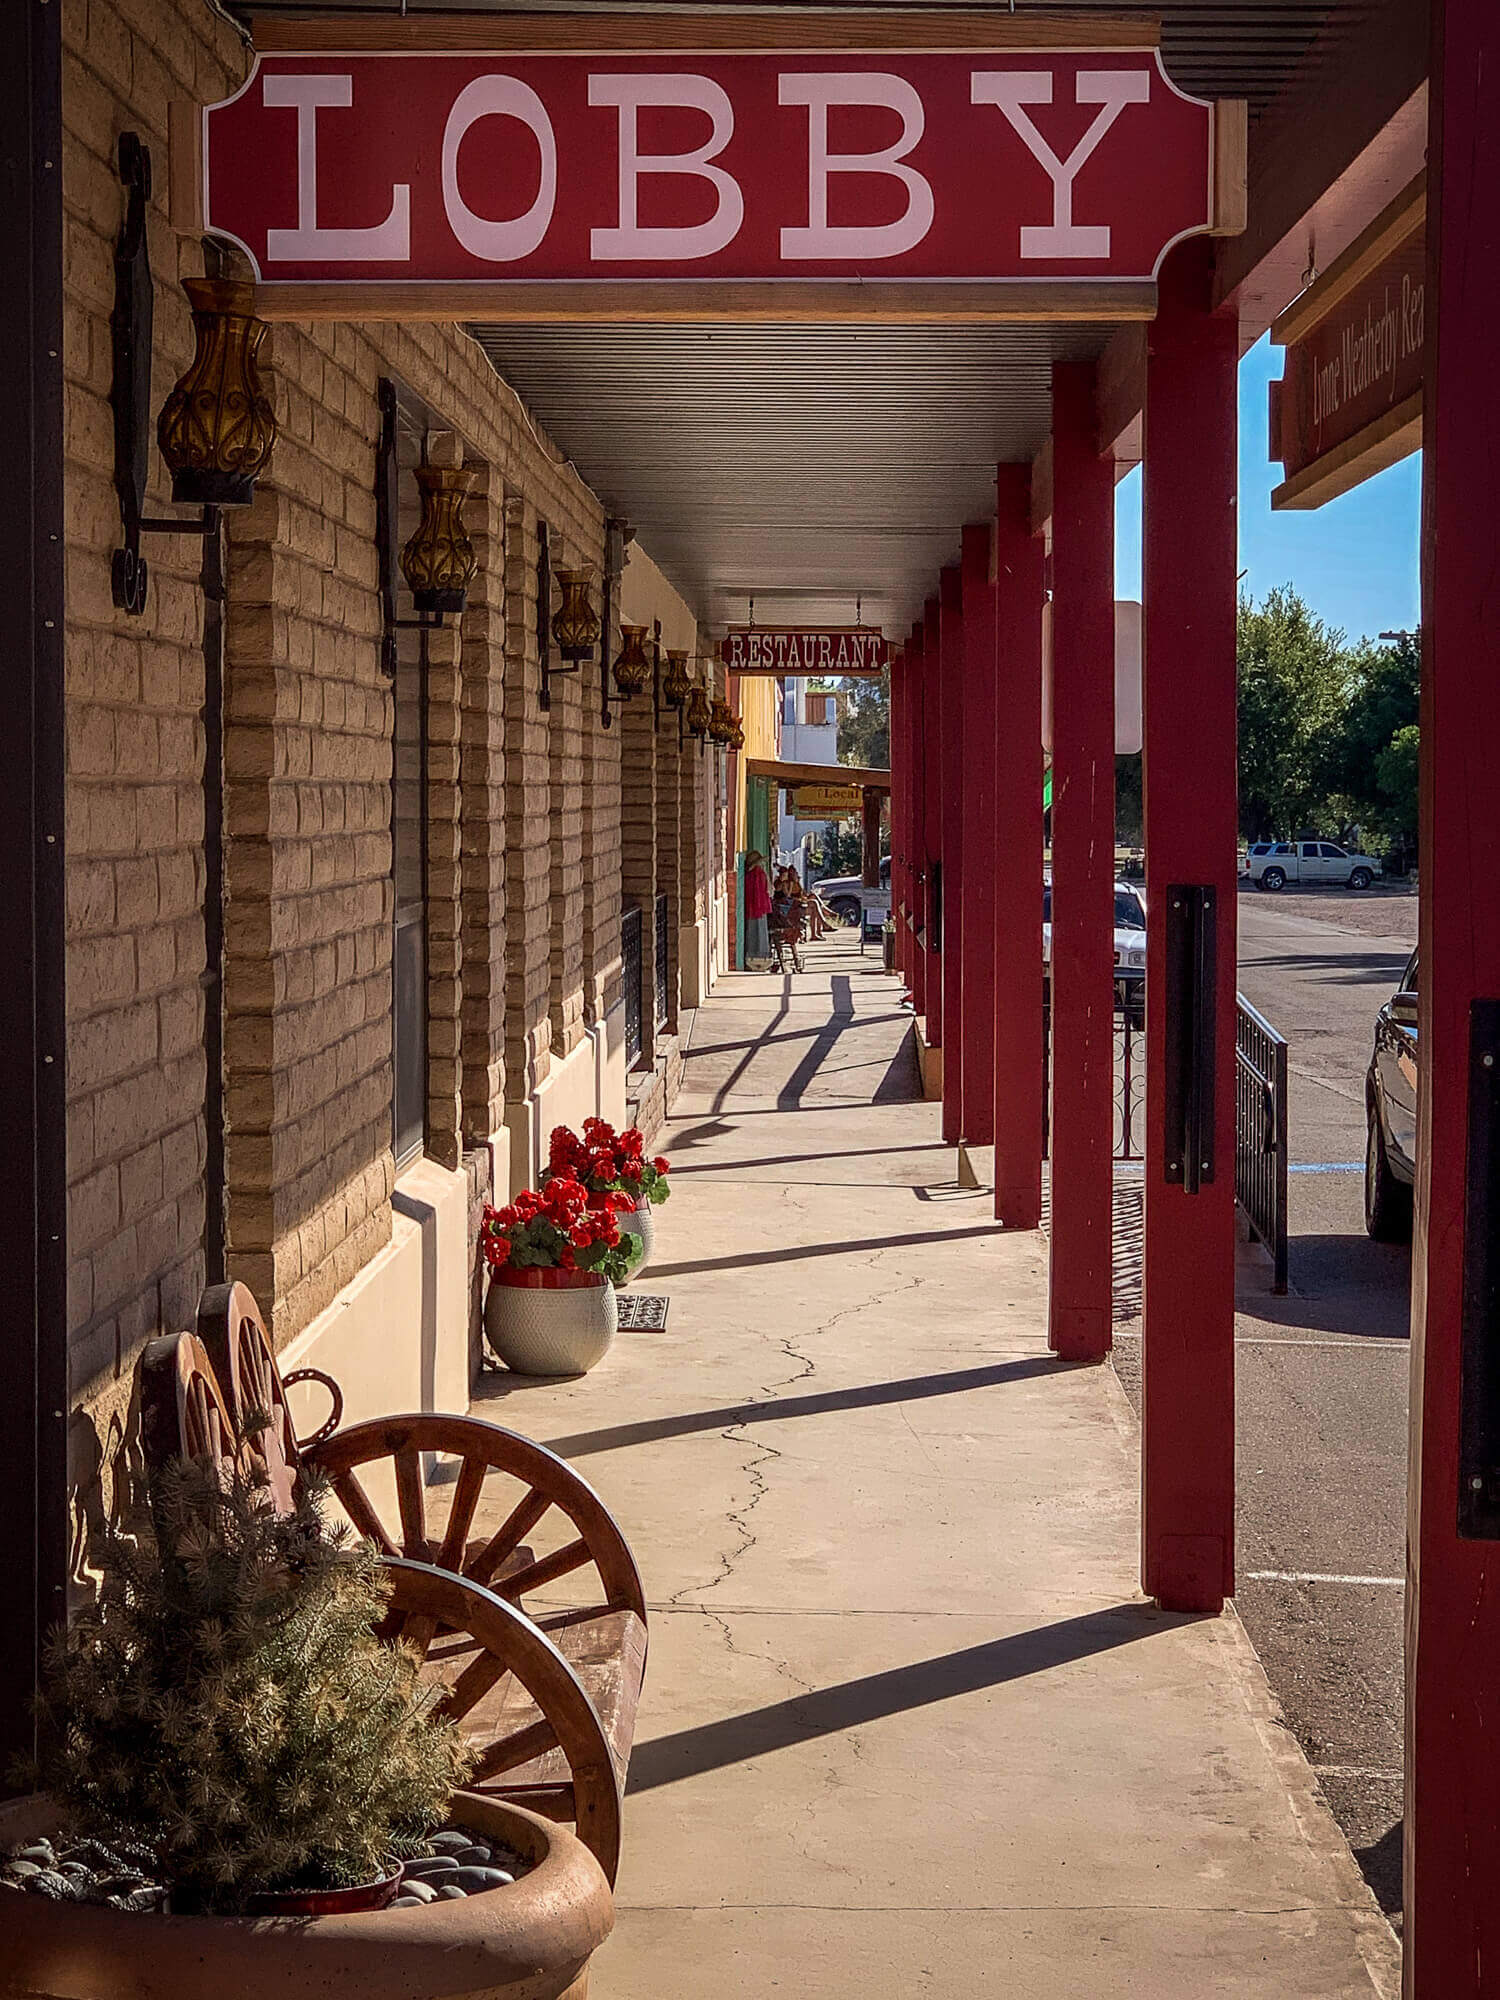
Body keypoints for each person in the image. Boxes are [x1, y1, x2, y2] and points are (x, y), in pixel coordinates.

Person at [744, 850, 773, 967]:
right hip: (759, 908)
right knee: (759, 931)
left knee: (752, 932)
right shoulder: (759, 874)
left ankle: (753, 956)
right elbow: (767, 891)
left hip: (752, 907)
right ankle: (761, 957)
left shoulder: (750, 875)